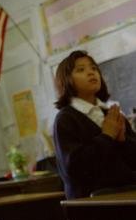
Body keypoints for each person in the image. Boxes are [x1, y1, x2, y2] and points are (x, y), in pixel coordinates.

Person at [53, 50, 136, 199]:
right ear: (66, 80)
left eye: (94, 68)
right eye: (81, 70)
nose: (91, 73)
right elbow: (75, 168)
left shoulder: (111, 113)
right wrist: (107, 136)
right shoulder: (65, 119)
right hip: (92, 205)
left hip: (127, 194)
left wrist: (123, 141)